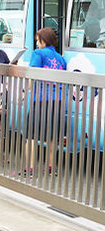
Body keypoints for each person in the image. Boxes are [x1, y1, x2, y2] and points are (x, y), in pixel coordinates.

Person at [26, 27, 67, 174]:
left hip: (41, 99)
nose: (37, 44)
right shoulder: (61, 58)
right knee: (52, 136)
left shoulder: (38, 53)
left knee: (30, 135)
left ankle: (30, 168)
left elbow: (33, 74)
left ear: (43, 40)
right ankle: (50, 167)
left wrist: (26, 91)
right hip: (59, 101)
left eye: (38, 41)